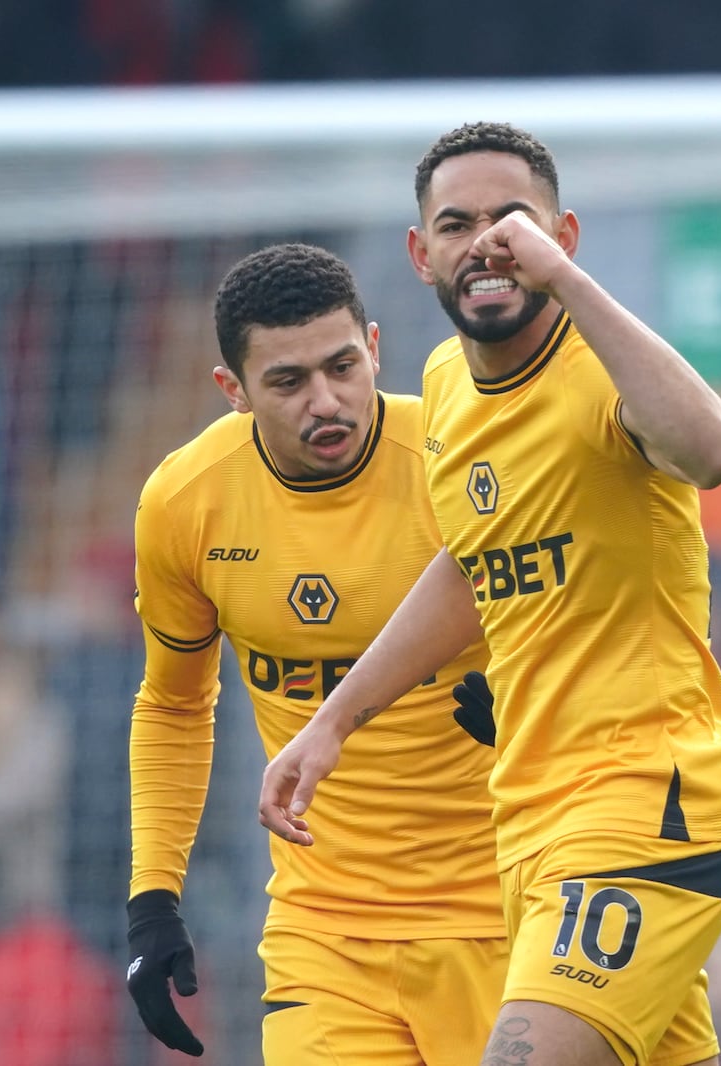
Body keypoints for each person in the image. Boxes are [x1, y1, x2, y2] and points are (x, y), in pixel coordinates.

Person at [260, 123, 721, 1066]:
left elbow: (716, 452)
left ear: (562, 235)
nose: (485, 242)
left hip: (646, 806)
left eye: (512, 219)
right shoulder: (444, 384)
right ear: (420, 254)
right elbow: (469, 564)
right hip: (525, 822)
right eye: (457, 224)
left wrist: (564, 283)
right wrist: (334, 720)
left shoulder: (607, 369)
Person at [126, 242, 506, 1062]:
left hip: (505, 917)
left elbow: (589, 631)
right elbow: (174, 704)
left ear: (374, 347)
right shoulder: (186, 503)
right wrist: (152, 901)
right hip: (325, 935)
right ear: (233, 391)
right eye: (288, 382)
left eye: (342, 366)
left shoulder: (462, 460)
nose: (326, 401)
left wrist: (525, 701)